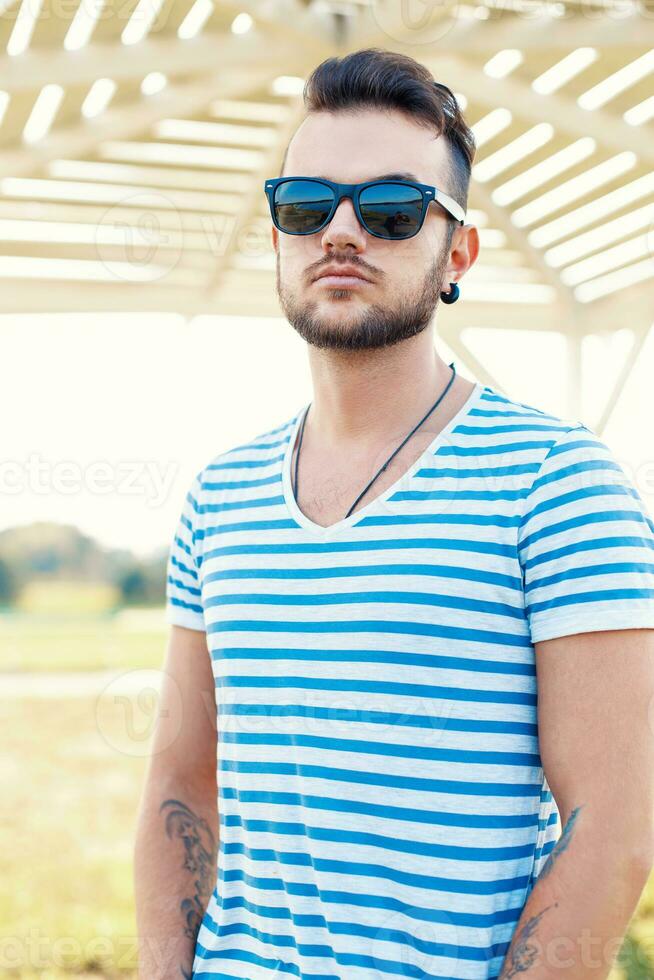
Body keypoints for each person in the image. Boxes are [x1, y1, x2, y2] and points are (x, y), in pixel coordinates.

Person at [135, 47, 654, 980]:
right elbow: (179, 785)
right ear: (278, 237)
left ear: (457, 251)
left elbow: (612, 827)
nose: (341, 232)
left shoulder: (559, 483)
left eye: (390, 210)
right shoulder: (219, 496)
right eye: (305, 205)